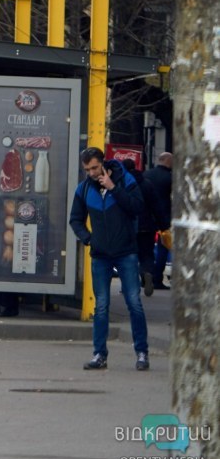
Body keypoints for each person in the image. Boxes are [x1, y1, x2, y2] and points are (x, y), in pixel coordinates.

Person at [69, 147, 149, 371]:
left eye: (95, 167)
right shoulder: (84, 189)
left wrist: (113, 188)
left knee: (134, 302)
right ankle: (99, 354)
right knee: (101, 305)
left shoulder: (126, 180)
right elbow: (75, 219)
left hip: (126, 251)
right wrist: (89, 239)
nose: (92, 173)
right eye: (87, 169)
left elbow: (138, 207)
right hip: (101, 254)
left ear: (103, 162)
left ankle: (142, 352)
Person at [122, 158, 162, 296]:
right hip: (147, 226)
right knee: (147, 254)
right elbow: (156, 205)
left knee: (129, 255)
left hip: (129, 225)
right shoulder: (147, 184)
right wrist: (162, 224)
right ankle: (147, 272)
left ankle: (130, 284)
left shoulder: (122, 183)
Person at [143, 152, 173, 290]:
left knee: (146, 249)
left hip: (147, 217)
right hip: (164, 218)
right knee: (163, 248)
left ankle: (144, 276)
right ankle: (157, 279)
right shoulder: (170, 178)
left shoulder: (146, 175)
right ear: (168, 161)